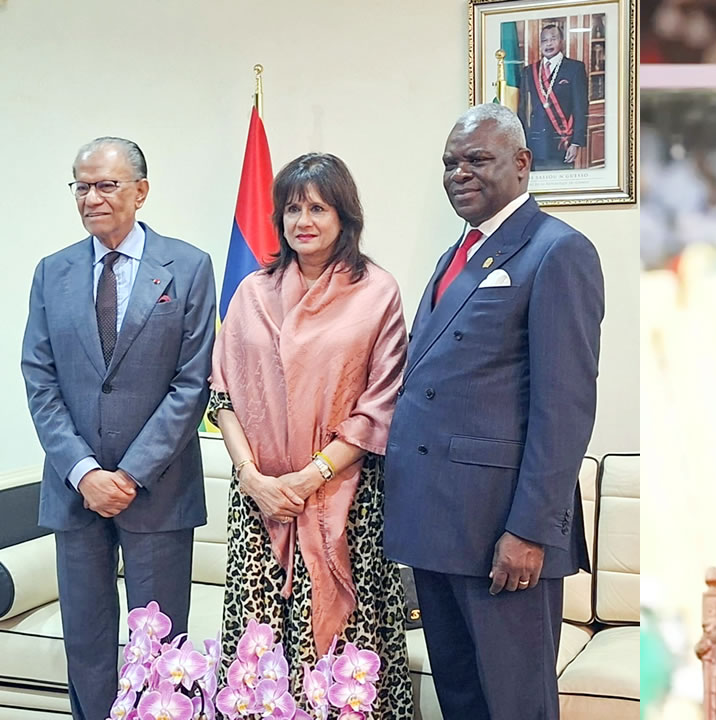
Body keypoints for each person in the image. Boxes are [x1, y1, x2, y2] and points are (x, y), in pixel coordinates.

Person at [384, 103, 604, 720]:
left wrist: (531, 531)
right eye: (450, 164)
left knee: (516, 705)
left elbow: (564, 408)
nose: (460, 174)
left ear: (522, 164)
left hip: (503, 534)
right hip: (438, 527)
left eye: (477, 159)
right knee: (460, 700)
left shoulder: (556, 251)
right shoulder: (453, 256)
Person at [207, 153, 413, 717]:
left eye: (318, 207)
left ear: (345, 216)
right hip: (260, 502)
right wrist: (255, 479)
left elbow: (380, 405)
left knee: (348, 653)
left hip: (343, 498)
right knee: (260, 652)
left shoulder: (377, 292)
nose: (304, 220)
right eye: (293, 208)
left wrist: (309, 475)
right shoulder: (251, 291)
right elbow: (221, 394)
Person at [21, 137, 216, 720]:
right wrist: (85, 473)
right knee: (86, 642)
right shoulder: (52, 272)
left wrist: (129, 473)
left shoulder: (188, 267)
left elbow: (192, 384)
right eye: (81, 185)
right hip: (74, 492)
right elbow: (40, 379)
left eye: (106, 185)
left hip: (156, 491)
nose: (92, 197)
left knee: (159, 648)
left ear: (141, 192)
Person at [517, 22, 588, 171]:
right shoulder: (529, 71)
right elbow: (522, 109)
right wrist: (520, 142)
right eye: (544, 40)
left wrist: (576, 143)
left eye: (553, 39)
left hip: (562, 142)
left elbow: (580, 108)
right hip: (534, 144)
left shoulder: (575, 68)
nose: (548, 44)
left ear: (561, 41)